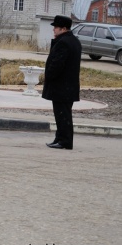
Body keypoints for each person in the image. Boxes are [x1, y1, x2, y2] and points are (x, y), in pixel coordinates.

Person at [42, 15, 81, 150]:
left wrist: (49, 76)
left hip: (61, 86)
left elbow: (57, 64)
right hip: (68, 86)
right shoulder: (74, 41)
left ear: (63, 29)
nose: (54, 30)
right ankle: (60, 138)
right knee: (63, 114)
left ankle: (64, 141)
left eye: (56, 28)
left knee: (62, 115)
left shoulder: (64, 42)